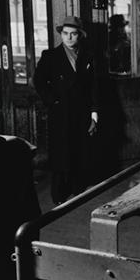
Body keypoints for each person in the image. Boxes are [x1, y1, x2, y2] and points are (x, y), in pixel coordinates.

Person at [33, 16, 100, 205]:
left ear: (80, 36)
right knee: (60, 154)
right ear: (61, 34)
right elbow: (38, 81)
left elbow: (93, 87)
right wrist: (52, 100)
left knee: (79, 151)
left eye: (73, 34)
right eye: (65, 33)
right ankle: (58, 195)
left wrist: (94, 114)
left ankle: (77, 190)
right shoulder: (50, 56)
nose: (69, 38)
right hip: (60, 113)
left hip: (82, 113)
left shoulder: (87, 56)